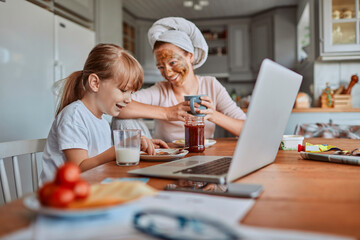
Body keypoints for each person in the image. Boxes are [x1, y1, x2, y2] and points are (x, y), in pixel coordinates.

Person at [41, 44, 168, 183]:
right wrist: (118, 150)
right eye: (123, 90)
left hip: (91, 190)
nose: (129, 99)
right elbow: (78, 169)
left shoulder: (102, 121)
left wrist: (138, 145)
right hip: (61, 198)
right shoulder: (73, 116)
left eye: (132, 93)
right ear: (95, 83)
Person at [113, 17, 246, 142]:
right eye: (160, 67)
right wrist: (167, 113)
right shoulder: (161, 90)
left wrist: (212, 115)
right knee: (120, 120)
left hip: (203, 155)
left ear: (190, 56)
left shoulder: (211, 85)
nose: (167, 73)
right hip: (166, 158)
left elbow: (245, 128)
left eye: (172, 63)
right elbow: (118, 105)